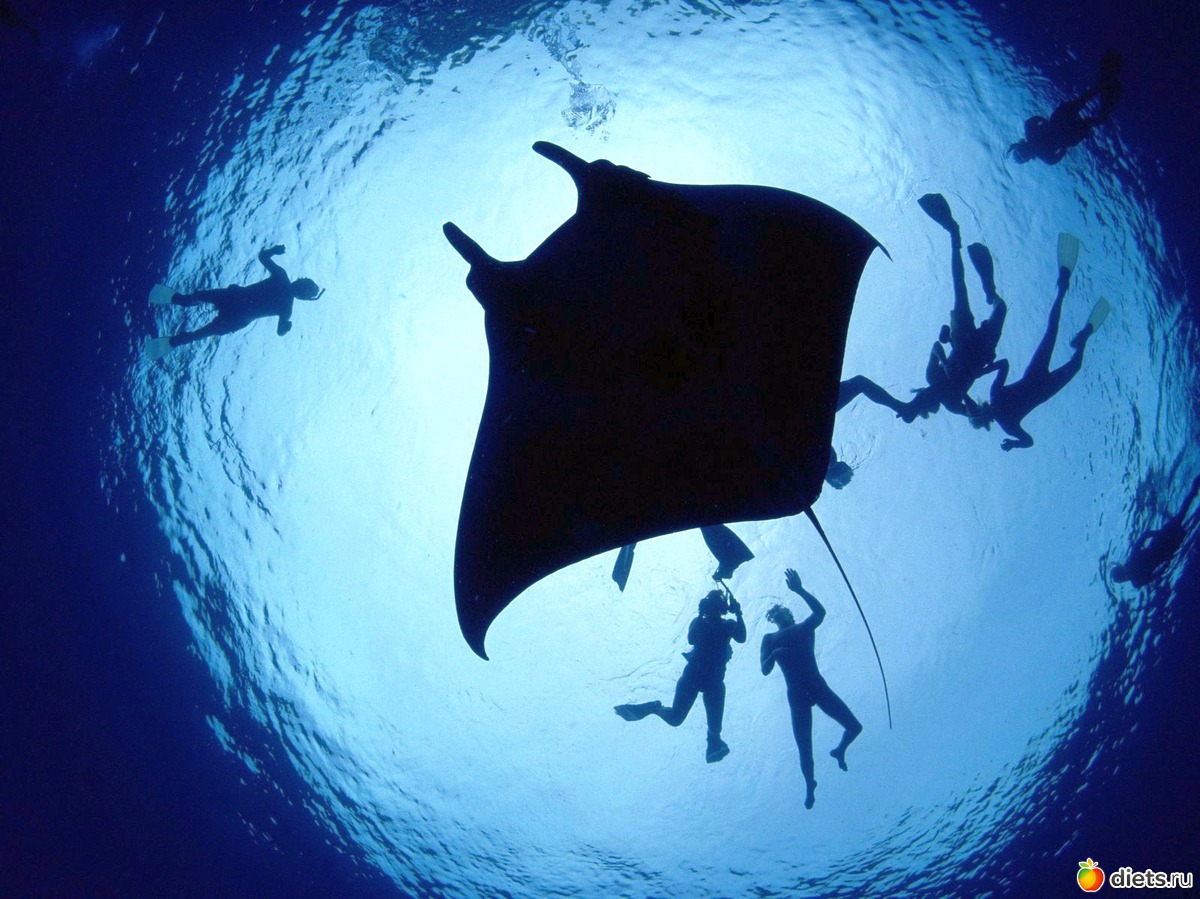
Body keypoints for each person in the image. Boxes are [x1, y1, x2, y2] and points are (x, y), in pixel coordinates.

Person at [836, 194, 1006, 424]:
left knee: (959, 288)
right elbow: (973, 413)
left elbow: (936, 346)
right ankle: (991, 293)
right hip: (981, 349)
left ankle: (954, 237)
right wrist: (970, 394)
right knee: (999, 307)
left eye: (921, 395)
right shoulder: (953, 402)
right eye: (924, 399)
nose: (926, 394)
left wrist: (945, 362)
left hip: (961, 341)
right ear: (931, 404)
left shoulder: (932, 376)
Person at [965, 236, 1107, 451]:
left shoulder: (1007, 422)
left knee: (1066, 353)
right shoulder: (998, 401)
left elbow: (1028, 442)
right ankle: (1066, 298)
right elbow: (1004, 364)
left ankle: (1082, 331)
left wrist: (1014, 444)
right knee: (1052, 332)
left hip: (1040, 385)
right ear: (981, 412)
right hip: (1038, 379)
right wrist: (984, 371)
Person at [761, 568, 861, 810]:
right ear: (773, 620)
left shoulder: (804, 628)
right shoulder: (770, 639)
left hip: (817, 686)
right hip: (796, 695)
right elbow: (764, 669)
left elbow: (820, 613)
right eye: (776, 614)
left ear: (790, 614)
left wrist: (799, 590)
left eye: (783, 610)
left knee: (855, 727)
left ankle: (840, 750)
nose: (780, 613)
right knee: (804, 748)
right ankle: (809, 784)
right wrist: (773, 655)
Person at [615, 588, 747, 763]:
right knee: (677, 719)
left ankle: (712, 741)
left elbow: (741, 638)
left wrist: (738, 613)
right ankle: (654, 708)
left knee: (708, 729)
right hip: (697, 678)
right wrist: (706, 615)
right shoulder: (707, 623)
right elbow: (692, 638)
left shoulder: (727, 625)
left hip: (708, 681)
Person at [145, 244, 322, 358]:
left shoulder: (282, 281)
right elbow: (280, 331)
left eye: (305, 282)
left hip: (235, 300)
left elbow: (263, 257)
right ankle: (175, 339)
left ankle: (180, 305)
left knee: (196, 306)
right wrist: (286, 328)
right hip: (238, 316)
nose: (301, 280)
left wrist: (273, 251)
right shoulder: (286, 306)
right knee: (200, 332)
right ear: (303, 297)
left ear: (301, 286)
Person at [1009, 48, 1122, 165]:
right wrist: (1049, 125)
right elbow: (1036, 120)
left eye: (1023, 152)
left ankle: (1109, 86)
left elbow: (1062, 151)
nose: (1026, 152)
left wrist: (1060, 138)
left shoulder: (1045, 156)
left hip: (1065, 130)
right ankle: (1108, 84)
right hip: (1062, 124)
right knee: (1086, 105)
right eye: (1024, 154)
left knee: (1091, 114)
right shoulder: (1031, 133)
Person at [1112, 474, 1200, 588]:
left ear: (1122, 569)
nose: (1125, 576)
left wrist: (1161, 534)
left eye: (1122, 574)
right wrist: (1168, 563)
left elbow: (1145, 535)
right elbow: (1157, 575)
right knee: (1187, 521)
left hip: (1163, 541)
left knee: (1183, 515)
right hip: (1168, 549)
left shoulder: (1133, 560)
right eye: (1123, 577)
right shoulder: (1137, 581)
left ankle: (1196, 485)